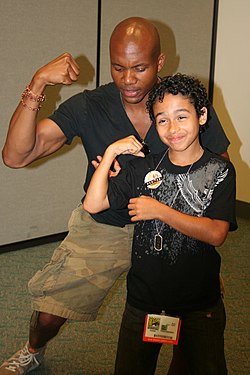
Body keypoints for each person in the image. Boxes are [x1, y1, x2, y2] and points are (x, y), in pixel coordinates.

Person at [1, 17, 230, 375]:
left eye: (139, 68)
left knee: (191, 322)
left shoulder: (181, 105)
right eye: (118, 67)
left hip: (169, 226)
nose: (128, 79)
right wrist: (38, 82)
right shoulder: (89, 106)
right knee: (48, 313)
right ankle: (33, 349)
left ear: (160, 62)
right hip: (106, 224)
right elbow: (16, 156)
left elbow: (216, 169)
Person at [83, 73, 237, 375]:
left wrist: (159, 210)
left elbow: (217, 233)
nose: (173, 128)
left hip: (199, 304)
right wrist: (111, 153)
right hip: (144, 300)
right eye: (162, 120)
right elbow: (93, 204)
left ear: (202, 115)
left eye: (182, 116)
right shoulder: (144, 167)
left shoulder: (219, 170)